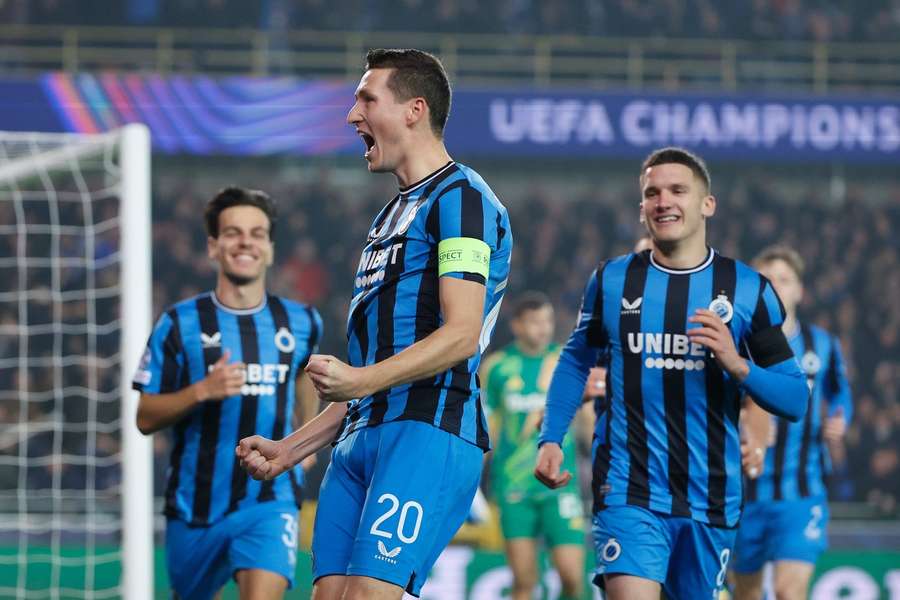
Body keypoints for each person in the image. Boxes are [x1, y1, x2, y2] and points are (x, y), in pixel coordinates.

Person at [236, 48, 513, 600]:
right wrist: (292, 449)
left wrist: (360, 381)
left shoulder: (464, 200)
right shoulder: (388, 216)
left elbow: (461, 335)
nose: (351, 115)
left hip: (430, 429)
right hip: (360, 436)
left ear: (414, 109)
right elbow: (371, 369)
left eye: (366, 99)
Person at [534, 147, 808, 600]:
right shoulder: (611, 281)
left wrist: (737, 364)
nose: (664, 201)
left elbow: (795, 398)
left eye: (678, 190)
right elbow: (575, 359)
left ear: (707, 204)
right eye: (652, 193)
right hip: (629, 489)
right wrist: (551, 437)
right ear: (642, 209)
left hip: (711, 498)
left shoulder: (748, 289)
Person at [132, 187, 323, 600]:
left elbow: (307, 380)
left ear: (270, 249)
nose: (246, 242)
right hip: (193, 506)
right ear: (214, 247)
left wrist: (304, 442)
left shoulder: (302, 321)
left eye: (257, 233)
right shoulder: (178, 323)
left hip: (268, 501)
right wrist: (201, 390)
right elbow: (145, 417)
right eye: (233, 233)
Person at [731, 245, 853, 600]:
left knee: (789, 592)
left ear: (799, 290)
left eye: (784, 280)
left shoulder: (822, 345)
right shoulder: (735, 344)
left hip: (800, 497)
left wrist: (841, 419)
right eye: (767, 280)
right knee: (747, 595)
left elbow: (841, 394)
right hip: (744, 498)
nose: (776, 287)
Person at [481, 291, 594, 600]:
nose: (542, 329)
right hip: (514, 485)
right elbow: (486, 428)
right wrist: (474, 481)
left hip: (562, 484)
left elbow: (585, 419)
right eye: (534, 322)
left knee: (573, 577)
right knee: (523, 581)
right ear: (517, 325)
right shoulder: (497, 368)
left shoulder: (566, 363)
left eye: (547, 321)